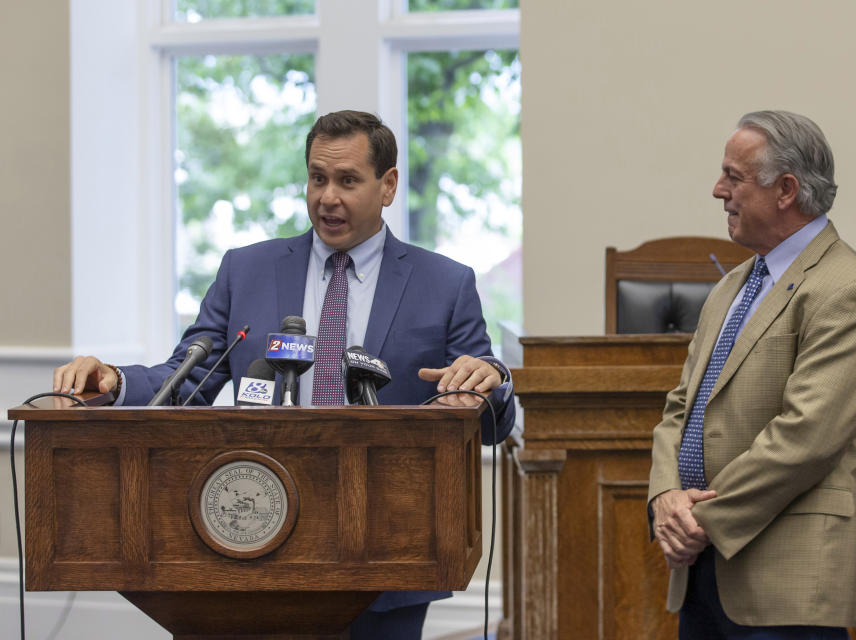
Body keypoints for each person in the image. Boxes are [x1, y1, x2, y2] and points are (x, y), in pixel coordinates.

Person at [53, 109, 515, 639]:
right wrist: (114, 380)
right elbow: (187, 379)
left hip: (388, 553)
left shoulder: (445, 283)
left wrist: (491, 379)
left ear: (387, 186)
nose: (328, 197)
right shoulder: (245, 269)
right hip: (252, 541)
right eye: (318, 178)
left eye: (347, 181)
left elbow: (489, 418)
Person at [647, 111, 856, 639]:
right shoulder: (733, 284)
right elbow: (680, 408)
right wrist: (665, 495)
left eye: (734, 177)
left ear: (786, 189)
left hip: (786, 579)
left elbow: (806, 437)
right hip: (701, 572)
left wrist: (697, 521)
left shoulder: (850, 289)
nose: (719, 191)